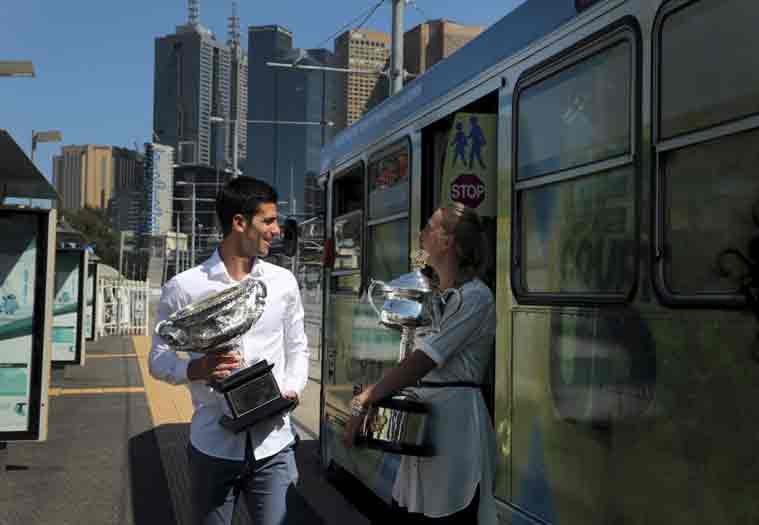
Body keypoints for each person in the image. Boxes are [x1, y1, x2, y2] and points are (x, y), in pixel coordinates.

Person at [149, 176, 309, 525]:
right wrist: (196, 369)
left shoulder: (282, 282)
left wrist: (291, 388)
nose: (277, 230)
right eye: (268, 221)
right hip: (213, 444)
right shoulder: (185, 287)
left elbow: (298, 348)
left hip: (274, 442)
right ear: (239, 222)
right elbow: (158, 359)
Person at [344, 203, 498, 524]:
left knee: (447, 510)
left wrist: (365, 399)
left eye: (428, 229)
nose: (420, 235)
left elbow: (422, 361)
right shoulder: (430, 293)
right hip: (419, 422)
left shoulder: (475, 297)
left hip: (455, 428)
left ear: (447, 242)